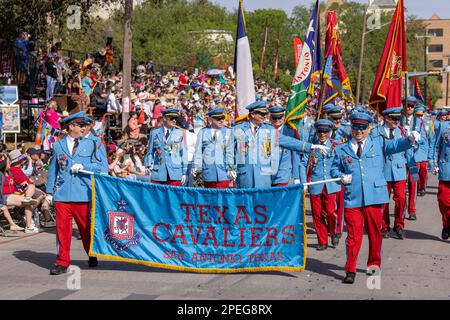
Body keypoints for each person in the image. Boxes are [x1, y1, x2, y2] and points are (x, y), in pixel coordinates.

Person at [331, 112, 421, 284]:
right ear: (351, 128)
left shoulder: (378, 143)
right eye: (356, 127)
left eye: (363, 128)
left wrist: (409, 139)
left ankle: (374, 264)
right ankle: (350, 269)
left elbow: (395, 145)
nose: (359, 131)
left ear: (368, 128)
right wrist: (340, 176)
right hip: (353, 198)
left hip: (375, 197)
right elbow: (334, 170)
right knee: (353, 236)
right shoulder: (341, 149)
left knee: (374, 234)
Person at [46, 111, 108, 275]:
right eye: (80, 125)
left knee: (85, 228)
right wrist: (49, 192)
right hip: (63, 194)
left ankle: (91, 253)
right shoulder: (58, 145)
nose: (83, 128)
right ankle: (62, 262)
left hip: (83, 193)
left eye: (84, 125)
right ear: (71, 126)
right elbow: (53, 169)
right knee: (62, 230)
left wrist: (83, 166)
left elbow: (102, 168)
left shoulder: (92, 143)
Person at [232, 101, 328, 189]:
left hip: (263, 178)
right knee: (246, 206)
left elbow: (288, 141)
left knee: (262, 206)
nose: (264, 116)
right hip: (245, 177)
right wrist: (230, 167)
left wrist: (311, 146)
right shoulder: (238, 129)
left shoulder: (269, 129)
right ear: (252, 114)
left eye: (265, 114)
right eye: (261, 114)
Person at [302, 120, 342, 250]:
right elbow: (302, 164)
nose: (322, 134)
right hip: (315, 183)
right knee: (317, 213)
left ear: (330, 132)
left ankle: (333, 231)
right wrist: (303, 180)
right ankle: (322, 240)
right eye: (320, 131)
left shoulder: (336, 146)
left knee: (331, 212)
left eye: (325, 131)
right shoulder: (311, 147)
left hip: (331, 184)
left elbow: (342, 163)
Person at [380, 108, 418, 240]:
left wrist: (413, 169)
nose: (397, 121)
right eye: (394, 119)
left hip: (399, 171)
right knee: (383, 202)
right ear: (386, 118)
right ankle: (384, 227)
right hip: (382, 171)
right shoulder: (376, 132)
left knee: (401, 200)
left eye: (398, 119)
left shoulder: (402, 132)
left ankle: (399, 225)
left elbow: (409, 151)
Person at [144, 109, 188, 186]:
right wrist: (148, 165)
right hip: (159, 172)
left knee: (173, 197)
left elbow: (183, 153)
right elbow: (150, 151)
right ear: (164, 118)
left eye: (176, 118)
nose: (174, 120)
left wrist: (184, 172)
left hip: (174, 173)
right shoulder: (154, 133)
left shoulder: (179, 133)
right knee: (158, 196)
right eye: (172, 118)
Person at [193, 108, 233, 189]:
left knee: (222, 199)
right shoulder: (203, 132)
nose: (221, 120)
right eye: (218, 119)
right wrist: (197, 166)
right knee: (209, 198)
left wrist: (230, 168)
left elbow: (230, 152)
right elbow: (198, 151)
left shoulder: (228, 132)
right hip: (208, 172)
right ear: (211, 119)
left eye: (222, 118)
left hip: (223, 172)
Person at [402, 103, 429, 221]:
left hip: (413, 157)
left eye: (411, 106)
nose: (409, 108)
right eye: (407, 105)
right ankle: (402, 209)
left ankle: (412, 210)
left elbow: (424, 139)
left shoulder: (419, 122)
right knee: (401, 187)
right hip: (401, 157)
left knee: (413, 184)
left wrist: (417, 137)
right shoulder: (397, 119)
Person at [0, 153, 39, 233]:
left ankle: (29, 226)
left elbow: (14, 186)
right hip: (4, 197)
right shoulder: (1, 174)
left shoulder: (9, 173)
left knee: (30, 191)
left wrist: (22, 188)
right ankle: (29, 226)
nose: (9, 163)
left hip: (12, 194)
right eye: (8, 162)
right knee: (28, 202)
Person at [429, 113, 450, 240]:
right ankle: (447, 224)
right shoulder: (443, 126)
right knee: (443, 200)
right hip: (446, 169)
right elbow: (435, 145)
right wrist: (432, 162)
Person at [268, 106, 300, 187]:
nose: (277, 120)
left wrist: (296, 176)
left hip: (283, 173)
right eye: (274, 118)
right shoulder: (264, 130)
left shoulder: (291, 132)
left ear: (284, 117)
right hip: (267, 173)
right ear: (270, 118)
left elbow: (295, 156)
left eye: (279, 118)